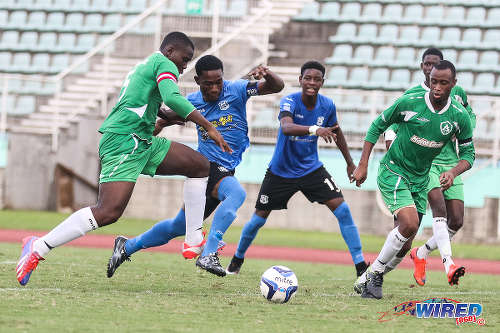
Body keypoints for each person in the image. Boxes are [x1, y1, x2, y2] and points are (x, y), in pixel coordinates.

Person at [16, 32, 232, 286]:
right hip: (124, 141)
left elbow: (144, 102)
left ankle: (193, 240)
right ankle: (38, 246)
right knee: (108, 212)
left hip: (142, 140)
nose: (184, 66)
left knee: (198, 166)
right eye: (184, 60)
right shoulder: (163, 63)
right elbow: (172, 97)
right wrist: (208, 127)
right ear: (170, 50)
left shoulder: (146, 65)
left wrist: (166, 116)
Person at [106, 55, 284, 278]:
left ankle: (126, 246)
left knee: (178, 227)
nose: (215, 88)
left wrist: (267, 74)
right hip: (207, 167)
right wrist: (145, 134)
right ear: (198, 80)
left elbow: (276, 87)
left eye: (218, 81)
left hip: (223, 170)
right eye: (208, 83)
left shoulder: (237, 89)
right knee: (236, 194)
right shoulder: (192, 103)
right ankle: (209, 254)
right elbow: (164, 118)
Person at [226, 61, 368, 278]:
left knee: (343, 211)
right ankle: (237, 259)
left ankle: (361, 268)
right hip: (280, 171)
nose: (312, 83)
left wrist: (350, 162)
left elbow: (336, 132)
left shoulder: (328, 105)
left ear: (322, 82)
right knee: (257, 220)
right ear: (300, 80)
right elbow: (287, 127)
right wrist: (315, 129)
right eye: (308, 78)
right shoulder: (289, 101)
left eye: (317, 79)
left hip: (312, 170)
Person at [352, 60, 475, 299]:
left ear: (454, 84)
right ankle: (374, 275)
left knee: (407, 241)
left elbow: (469, 154)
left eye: (443, 83)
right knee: (407, 224)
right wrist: (363, 164)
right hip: (394, 171)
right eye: (433, 82)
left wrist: (453, 172)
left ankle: (368, 277)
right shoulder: (411, 102)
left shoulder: (459, 116)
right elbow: (377, 125)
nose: (437, 87)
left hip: (420, 179)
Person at [384, 48, 476, 287]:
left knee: (456, 221)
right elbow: (392, 123)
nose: (429, 69)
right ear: (423, 67)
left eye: (434, 65)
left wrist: (459, 132)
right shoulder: (413, 95)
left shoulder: (458, 95)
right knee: (434, 210)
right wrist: (392, 146)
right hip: (426, 163)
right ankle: (448, 265)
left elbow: (469, 119)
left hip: (451, 163)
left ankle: (421, 253)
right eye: (427, 65)